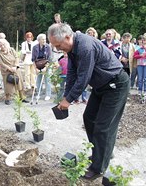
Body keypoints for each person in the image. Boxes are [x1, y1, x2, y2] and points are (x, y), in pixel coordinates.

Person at [48, 23, 130, 180]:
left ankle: (98, 168)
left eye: (59, 45)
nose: (58, 49)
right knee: (89, 118)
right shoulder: (72, 49)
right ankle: (102, 152)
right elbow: (72, 73)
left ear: (67, 36)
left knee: (103, 127)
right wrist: (66, 97)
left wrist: (69, 100)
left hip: (116, 85)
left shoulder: (85, 46)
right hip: (101, 86)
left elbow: (84, 77)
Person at [0, 38, 28, 105]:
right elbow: (1, 63)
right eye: (0, 45)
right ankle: (7, 99)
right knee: (8, 85)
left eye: (3, 45)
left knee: (19, 83)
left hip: (15, 68)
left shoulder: (11, 49)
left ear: (6, 44)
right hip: (6, 71)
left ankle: (22, 97)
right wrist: (9, 68)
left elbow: (17, 57)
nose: (2, 46)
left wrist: (16, 66)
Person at [32, 33, 52, 101]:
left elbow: (49, 59)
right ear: (39, 40)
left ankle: (48, 94)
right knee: (38, 80)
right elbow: (33, 59)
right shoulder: (34, 47)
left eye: (45, 39)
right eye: (43, 39)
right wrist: (36, 69)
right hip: (38, 65)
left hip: (46, 65)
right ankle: (38, 94)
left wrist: (46, 68)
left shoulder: (48, 47)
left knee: (47, 80)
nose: (44, 40)